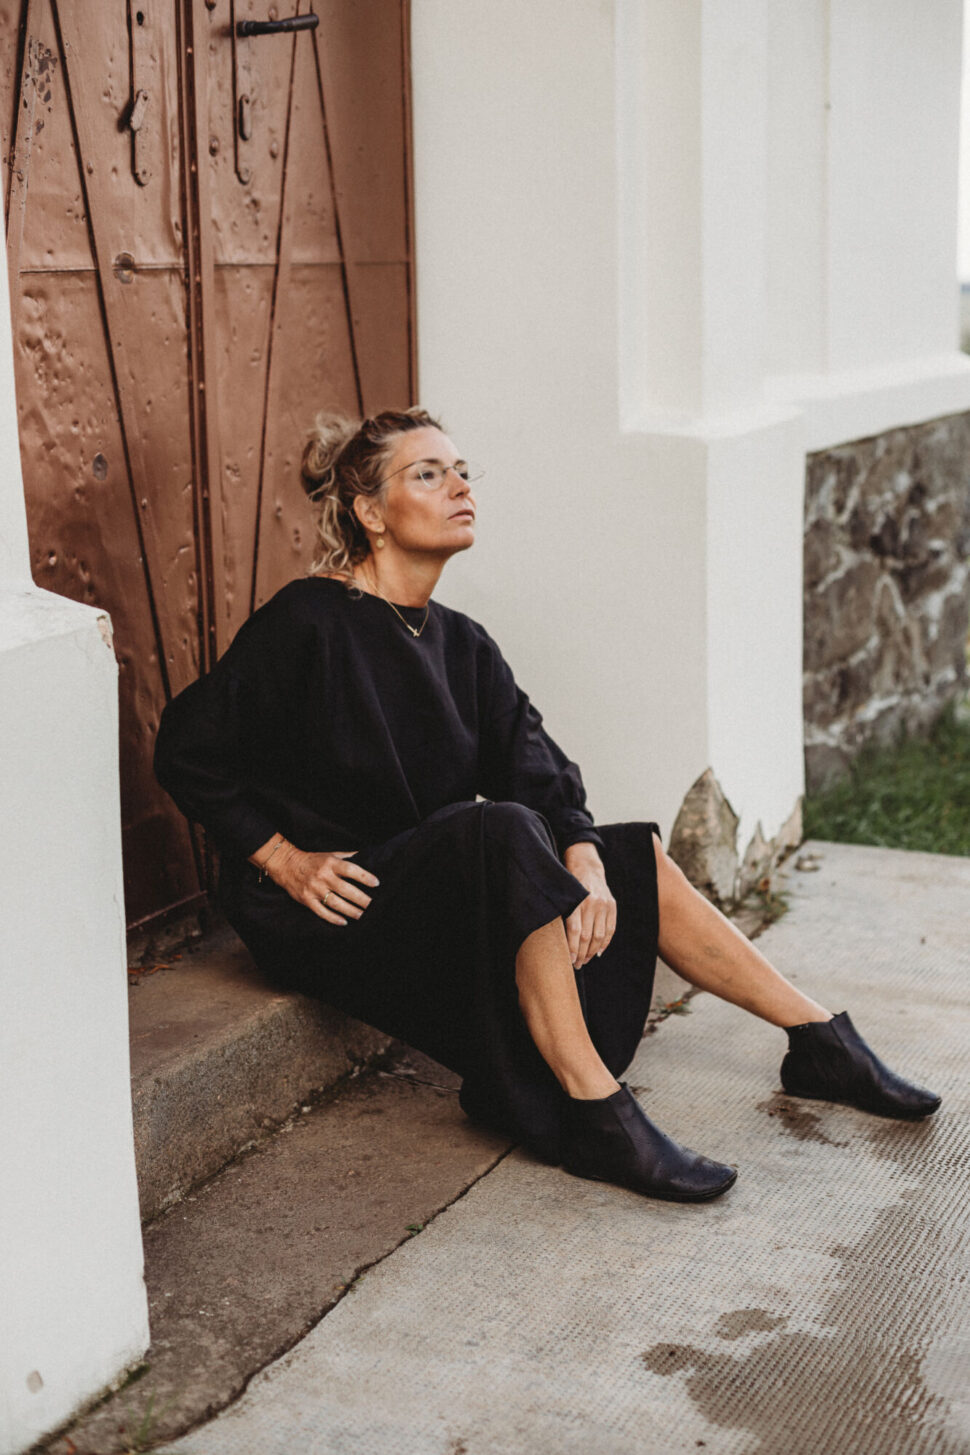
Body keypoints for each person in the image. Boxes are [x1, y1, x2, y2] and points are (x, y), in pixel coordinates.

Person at [154, 407, 941, 1204]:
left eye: (463, 471)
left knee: (628, 855)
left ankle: (815, 1038)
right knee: (498, 829)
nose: (460, 486)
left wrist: (588, 861)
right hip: (332, 908)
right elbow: (185, 747)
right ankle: (594, 1107)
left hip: (422, 893)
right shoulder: (308, 620)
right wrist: (283, 859)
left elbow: (538, 767)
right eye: (428, 473)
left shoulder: (462, 642)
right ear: (370, 512)